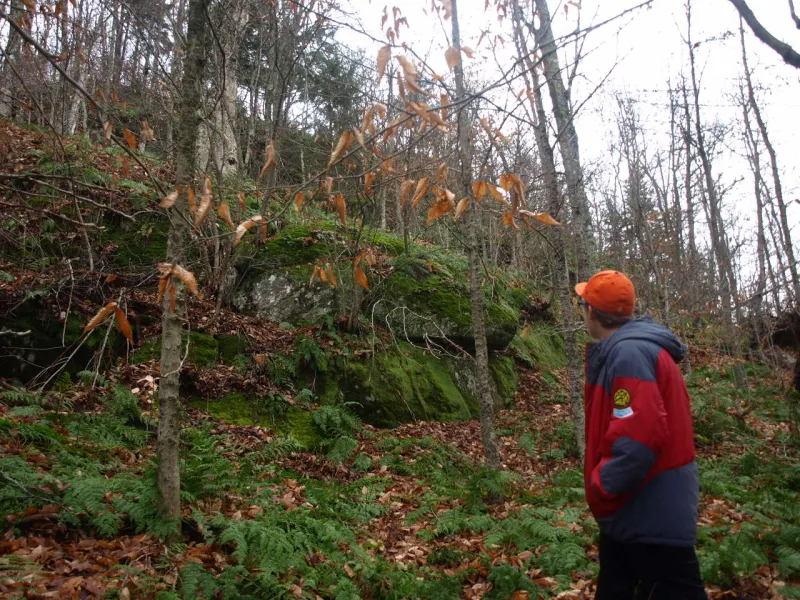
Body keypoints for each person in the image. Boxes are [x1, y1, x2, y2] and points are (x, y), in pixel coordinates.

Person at [575, 270, 707, 600]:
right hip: (637, 515)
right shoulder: (634, 349)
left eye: (583, 305)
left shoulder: (629, 354)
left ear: (592, 312)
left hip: (648, 514)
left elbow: (638, 434)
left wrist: (602, 486)